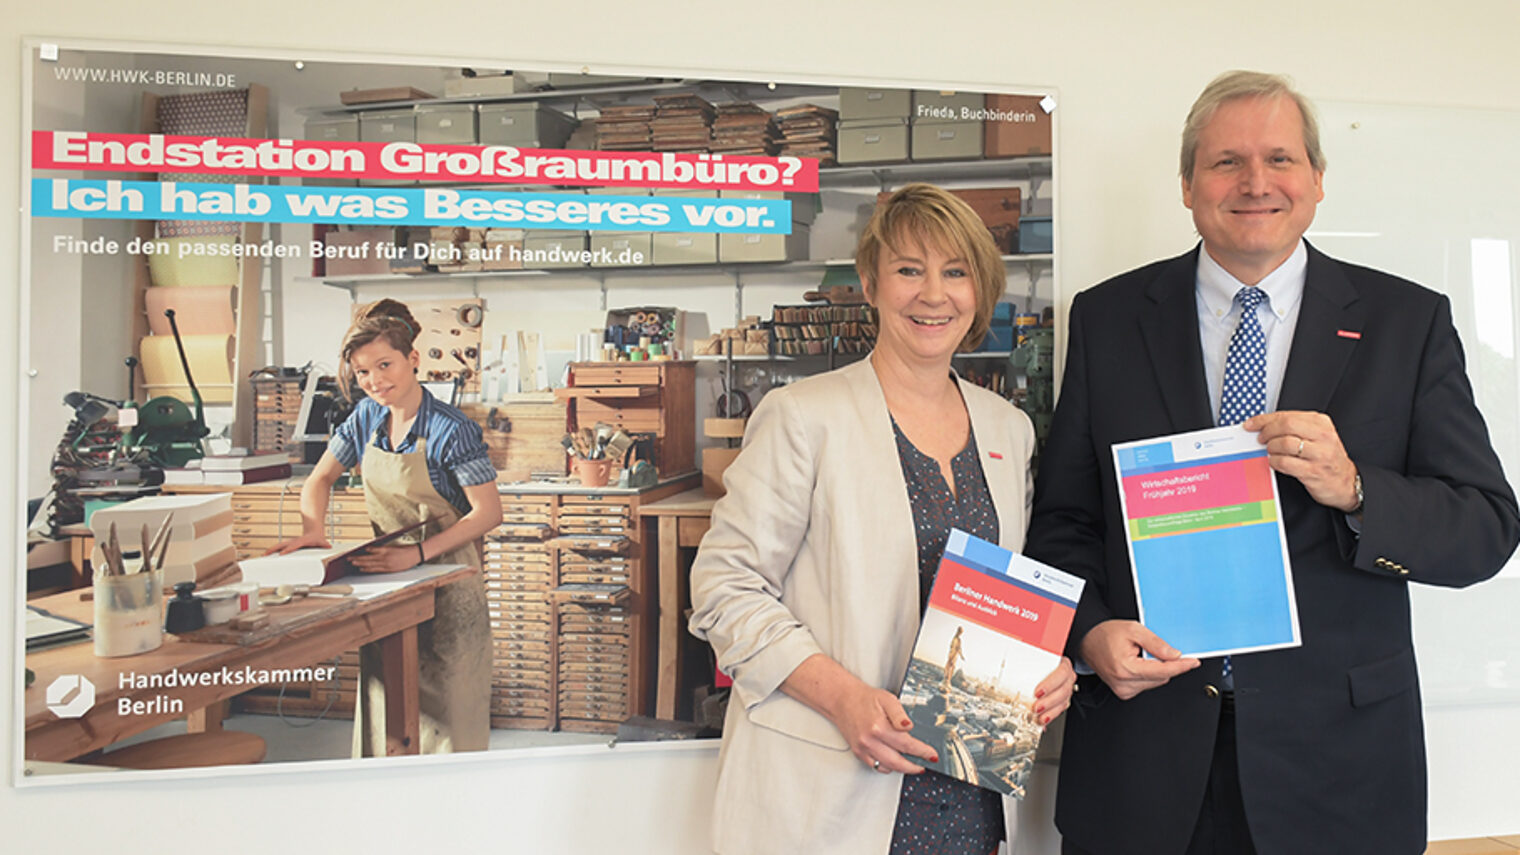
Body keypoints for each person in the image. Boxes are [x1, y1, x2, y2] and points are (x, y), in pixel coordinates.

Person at [1024, 70, 1520, 855]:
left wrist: (1355, 488)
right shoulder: (1110, 317)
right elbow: (1062, 524)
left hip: (1340, 772)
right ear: (1187, 184)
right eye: (1226, 162)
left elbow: (1487, 529)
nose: (1256, 183)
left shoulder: (1407, 322)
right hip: (1144, 760)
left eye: (1280, 159)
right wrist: (1087, 636)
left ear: (1317, 179)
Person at [689, 183, 1077, 855]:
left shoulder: (1007, 430)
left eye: (955, 272)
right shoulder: (805, 416)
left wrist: (1052, 665)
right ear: (870, 283)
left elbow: (1011, 593)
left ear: (979, 291)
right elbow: (723, 588)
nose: (934, 294)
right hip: (835, 787)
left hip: (969, 791)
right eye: (909, 269)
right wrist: (843, 696)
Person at [270, 298, 501, 755]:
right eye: (362, 373)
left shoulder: (451, 429)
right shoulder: (366, 418)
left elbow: (488, 513)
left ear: (413, 360)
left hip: (450, 590)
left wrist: (416, 554)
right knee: (385, 714)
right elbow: (319, 479)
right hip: (387, 585)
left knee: (450, 726)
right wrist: (312, 527)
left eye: (384, 365)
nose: (375, 381)